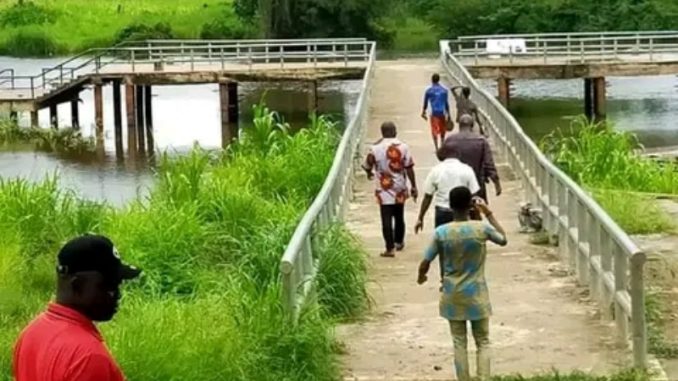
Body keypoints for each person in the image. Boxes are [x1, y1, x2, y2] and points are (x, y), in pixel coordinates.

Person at [13, 234, 142, 381]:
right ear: (77, 285)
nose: (117, 294)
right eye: (110, 285)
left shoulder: (32, 333)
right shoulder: (89, 358)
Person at [417, 186, 507, 381]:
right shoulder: (480, 228)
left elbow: (425, 261)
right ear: (470, 205)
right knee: (482, 340)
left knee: (459, 341)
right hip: (477, 294)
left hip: (452, 294)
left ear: (450, 206)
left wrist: (421, 277)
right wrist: (487, 212)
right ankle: (484, 378)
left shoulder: (441, 232)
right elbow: (503, 239)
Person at [414, 144, 479, 280]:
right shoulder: (466, 169)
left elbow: (428, 196)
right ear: (458, 154)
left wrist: (420, 217)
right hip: (462, 213)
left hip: (442, 212)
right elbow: (474, 195)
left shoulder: (436, 170)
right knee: (463, 245)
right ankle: (463, 276)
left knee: (443, 246)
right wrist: (477, 217)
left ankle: (445, 277)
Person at [362, 121, 417, 257]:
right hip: (399, 186)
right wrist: (414, 185)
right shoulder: (403, 147)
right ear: (395, 131)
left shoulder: (374, 148)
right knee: (399, 215)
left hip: (383, 186)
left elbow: (367, 165)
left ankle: (389, 248)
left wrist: (369, 173)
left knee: (386, 217)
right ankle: (399, 241)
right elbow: (409, 167)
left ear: (382, 132)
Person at [443, 114, 501, 207]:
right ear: (472, 125)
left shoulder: (450, 140)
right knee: (476, 211)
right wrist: (496, 183)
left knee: (457, 211)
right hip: (476, 184)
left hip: (455, 184)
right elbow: (489, 164)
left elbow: (442, 158)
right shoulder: (481, 140)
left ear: (459, 125)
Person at [421, 73, 451, 152]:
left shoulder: (429, 91)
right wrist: (449, 114)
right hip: (442, 113)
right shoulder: (444, 91)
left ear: (432, 80)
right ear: (439, 80)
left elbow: (425, 103)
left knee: (434, 130)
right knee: (442, 129)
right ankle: (442, 144)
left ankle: (436, 147)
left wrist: (423, 111)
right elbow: (446, 103)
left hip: (434, 113)